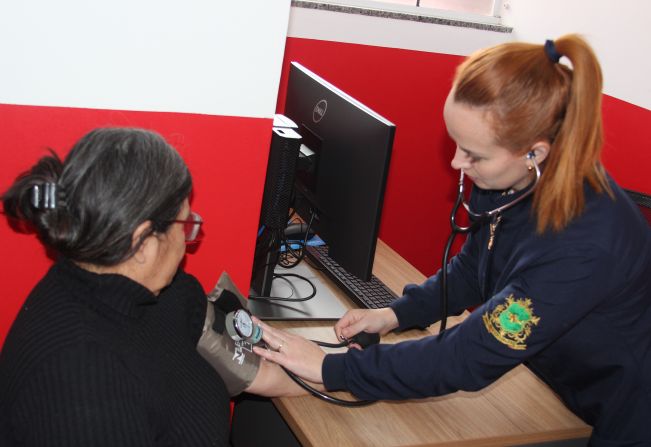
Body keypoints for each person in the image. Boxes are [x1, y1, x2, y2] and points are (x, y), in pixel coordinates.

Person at [253, 34, 651, 445]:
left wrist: (330, 369)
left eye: (474, 154)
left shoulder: (584, 245)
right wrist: (396, 314)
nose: (457, 162)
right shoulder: (509, 179)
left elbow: (468, 357)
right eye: (457, 144)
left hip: (628, 409)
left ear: (535, 153)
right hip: (553, 375)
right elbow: (474, 269)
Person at [0, 127, 305, 447]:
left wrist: (342, 373)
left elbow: (256, 369)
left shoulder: (166, 292)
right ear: (143, 243)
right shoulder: (79, 381)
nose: (189, 240)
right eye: (184, 225)